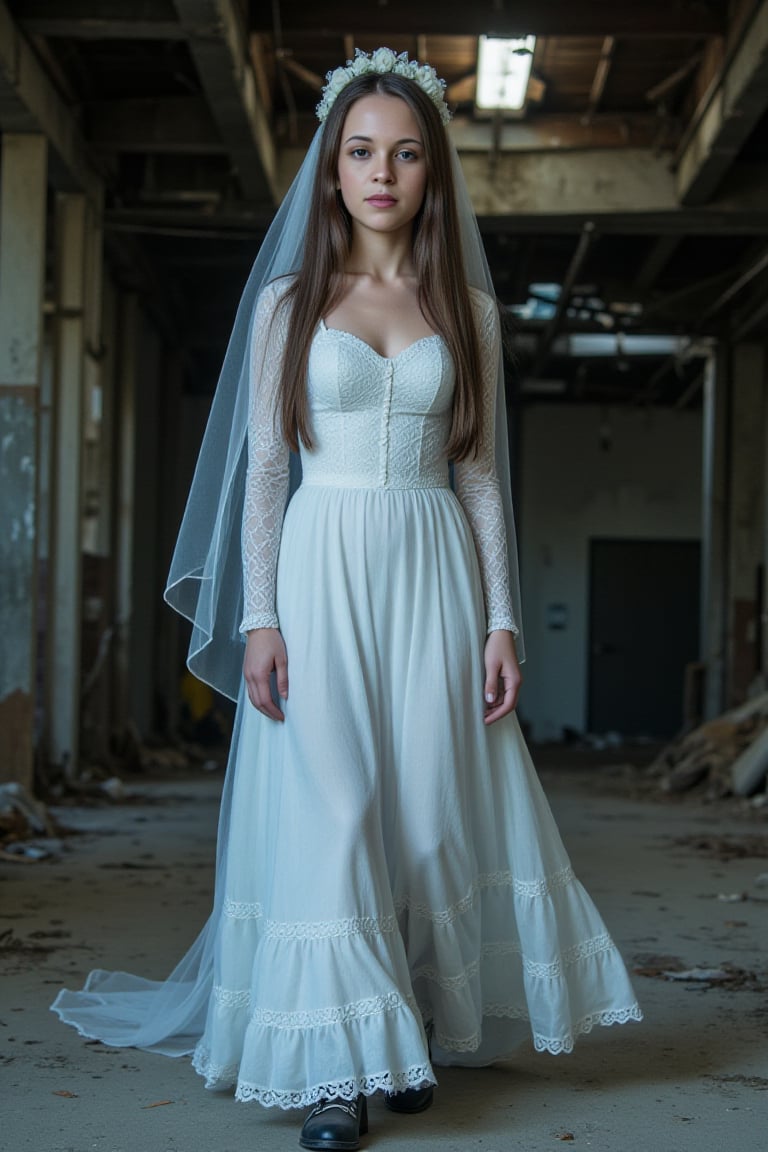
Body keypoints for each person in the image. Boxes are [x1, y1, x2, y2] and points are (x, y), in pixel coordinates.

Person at [52, 49, 641, 1152]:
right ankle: (334, 1068)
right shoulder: (291, 300)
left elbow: (478, 477)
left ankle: (403, 1024)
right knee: (336, 815)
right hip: (320, 567)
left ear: (431, 172)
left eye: (406, 154)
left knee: (422, 818)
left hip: (432, 572)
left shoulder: (465, 308)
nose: (383, 173)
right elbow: (266, 471)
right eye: (362, 152)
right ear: (331, 170)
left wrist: (504, 618)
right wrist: (260, 615)